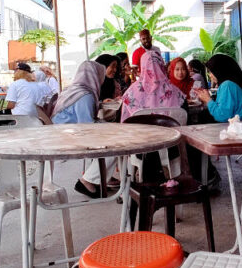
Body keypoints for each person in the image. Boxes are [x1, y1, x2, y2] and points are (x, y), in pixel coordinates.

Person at [51, 61, 108, 198]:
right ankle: (87, 181)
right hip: (69, 137)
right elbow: (87, 125)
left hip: (58, 133)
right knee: (115, 146)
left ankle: (96, 178)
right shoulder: (85, 95)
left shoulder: (72, 90)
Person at [120, 51, 186, 122]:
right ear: (161, 66)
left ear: (143, 66)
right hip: (170, 132)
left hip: (140, 132)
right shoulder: (176, 93)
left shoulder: (130, 94)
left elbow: (125, 123)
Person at [195, 54, 242, 123]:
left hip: (229, 128)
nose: (210, 75)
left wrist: (208, 100)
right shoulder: (233, 84)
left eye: (211, 72)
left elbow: (222, 116)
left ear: (219, 70)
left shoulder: (227, 85)